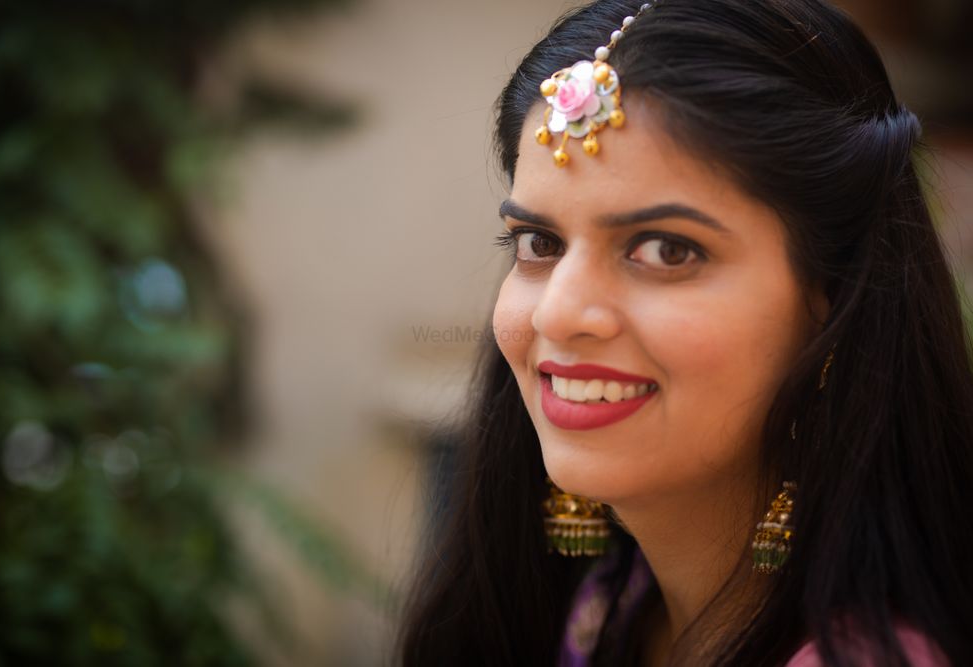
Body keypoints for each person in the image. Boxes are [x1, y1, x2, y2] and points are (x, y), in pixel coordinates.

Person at [396, 0, 973, 665]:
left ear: (832, 302)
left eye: (666, 250)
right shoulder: (603, 608)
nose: (558, 312)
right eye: (539, 241)